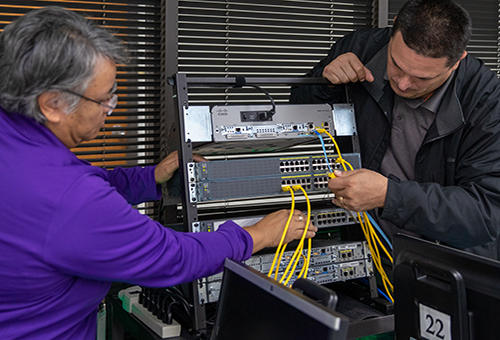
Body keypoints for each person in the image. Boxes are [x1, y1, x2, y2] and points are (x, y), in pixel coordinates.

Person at [0, 6, 316, 340]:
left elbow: (73, 192)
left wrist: (150, 177)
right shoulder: (68, 196)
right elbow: (170, 256)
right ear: (51, 104)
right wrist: (256, 236)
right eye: (105, 98)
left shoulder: (20, 149)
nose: (110, 110)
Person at [290, 0, 500, 260]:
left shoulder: (485, 102)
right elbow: (297, 117)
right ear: (394, 30)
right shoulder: (361, 49)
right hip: (365, 251)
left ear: (457, 62)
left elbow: (488, 214)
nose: (402, 83)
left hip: (445, 263)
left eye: (422, 78)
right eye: (396, 64)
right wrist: (325, 83)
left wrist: (390, 196)